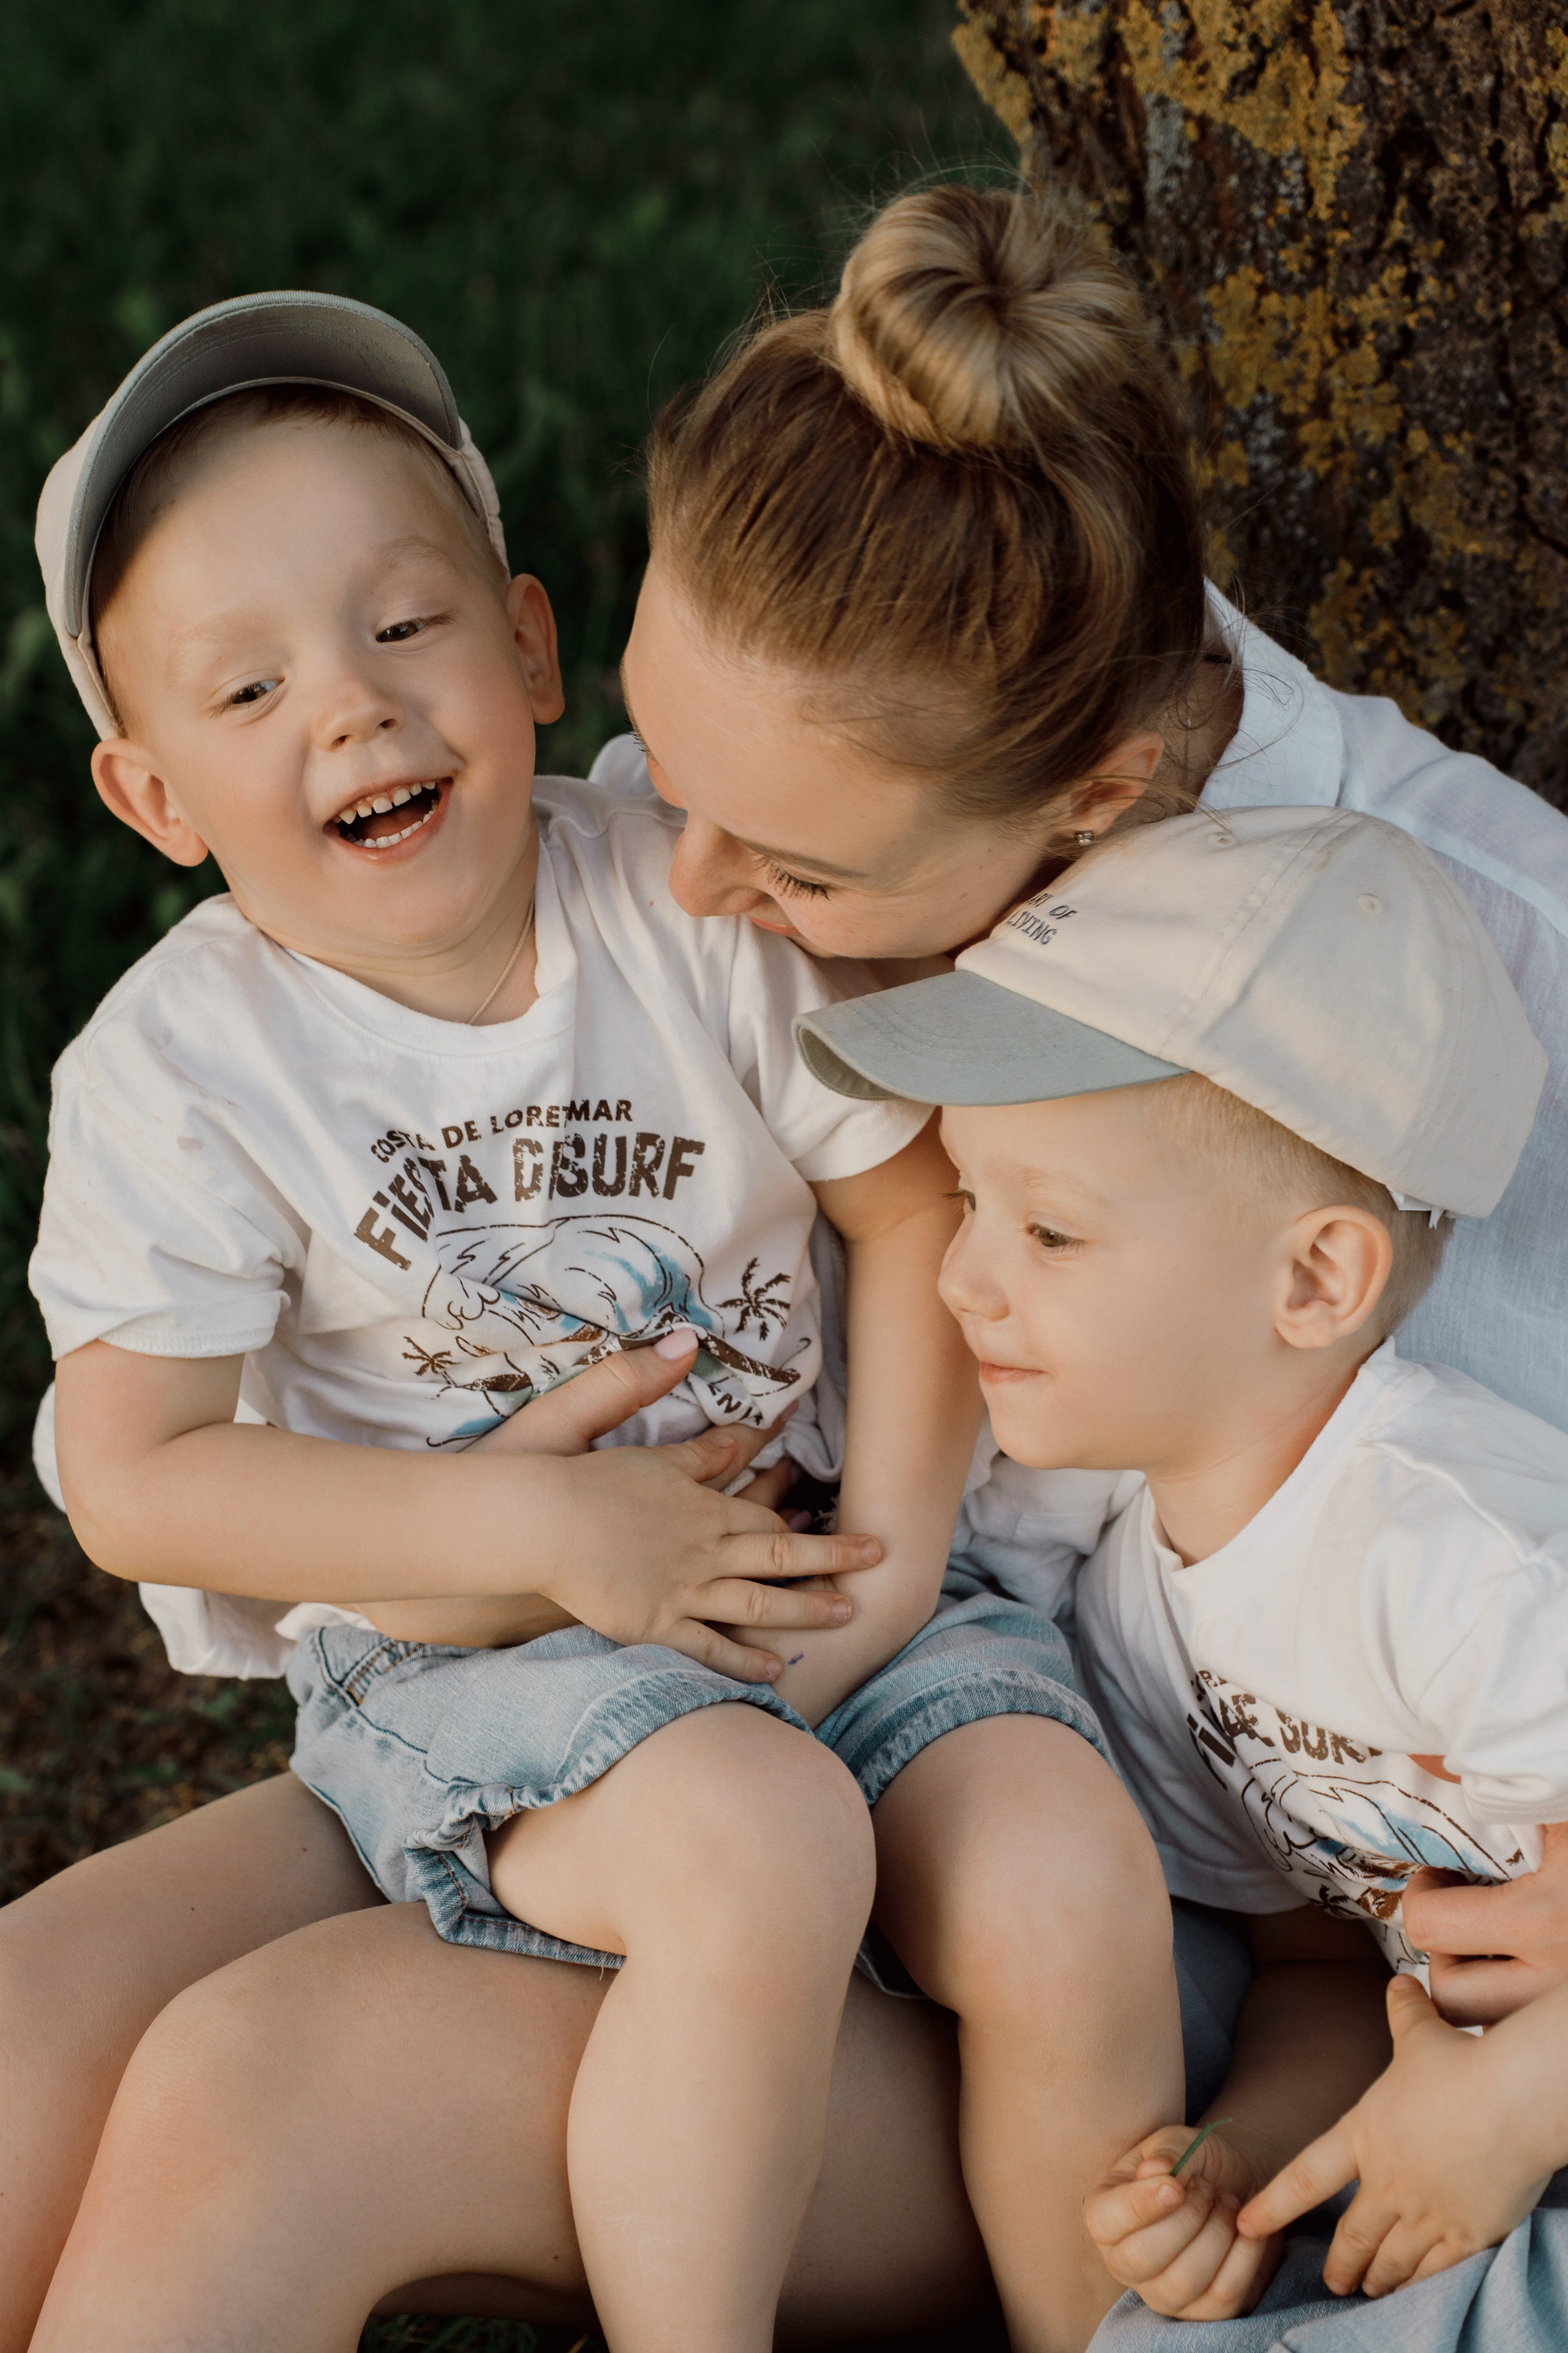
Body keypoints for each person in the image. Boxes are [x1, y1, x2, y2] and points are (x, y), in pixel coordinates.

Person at [4, 178, 1567, 2344]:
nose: (681, 875)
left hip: (1110, 1892)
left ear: (1099, 807)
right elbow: (184, 1460)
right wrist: (509, 1536)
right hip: (670, 1665)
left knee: (253, 2100)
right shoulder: (694, 831)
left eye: (794, 863)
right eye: (657, 772)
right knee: (20, 2054)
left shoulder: (1459, 1016)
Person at [796, 799, 1568, 2325]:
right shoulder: (1142, 1604)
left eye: (1051, 1234)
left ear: (1312, 1277)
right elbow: (1315, 1962)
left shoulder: (1463, 1552)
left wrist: (1517, 2100)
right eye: (966, 1199)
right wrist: (1247, 2158)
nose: (959, 1276)